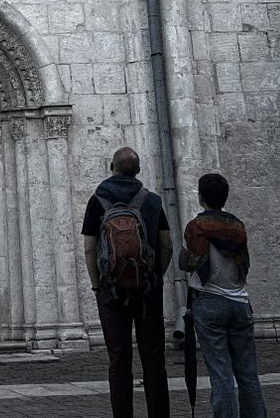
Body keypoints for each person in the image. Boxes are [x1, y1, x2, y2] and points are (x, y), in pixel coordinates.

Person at [82, 147, 173, 418]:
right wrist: (156, 276)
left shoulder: (97, 201)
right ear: (139, 170)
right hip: (148, 290)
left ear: (111, 166)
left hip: (111, 291)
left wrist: (97, 284)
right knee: (154, 357)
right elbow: (167, 244)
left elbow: (89, 247)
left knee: (119, 358)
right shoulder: (153, 201)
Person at [179, 173, 266, 418]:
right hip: (240, 301)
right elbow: (244, 262)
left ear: (201, 197)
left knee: (221, 374)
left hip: (209, 301)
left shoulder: (196, 227)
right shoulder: (237, 226)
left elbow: (185, 264)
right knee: (248, 373)